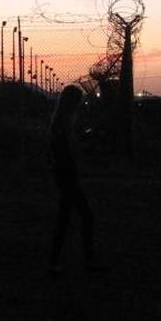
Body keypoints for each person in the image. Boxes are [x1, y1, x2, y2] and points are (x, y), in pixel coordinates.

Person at [48, 85, 108, 275]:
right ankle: (86, 260)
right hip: (67, 172)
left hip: (63, 171)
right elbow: (71, 148)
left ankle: (56, 260)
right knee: (83, 215)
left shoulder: (59, 121)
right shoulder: (65, 122)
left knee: (66, 216)